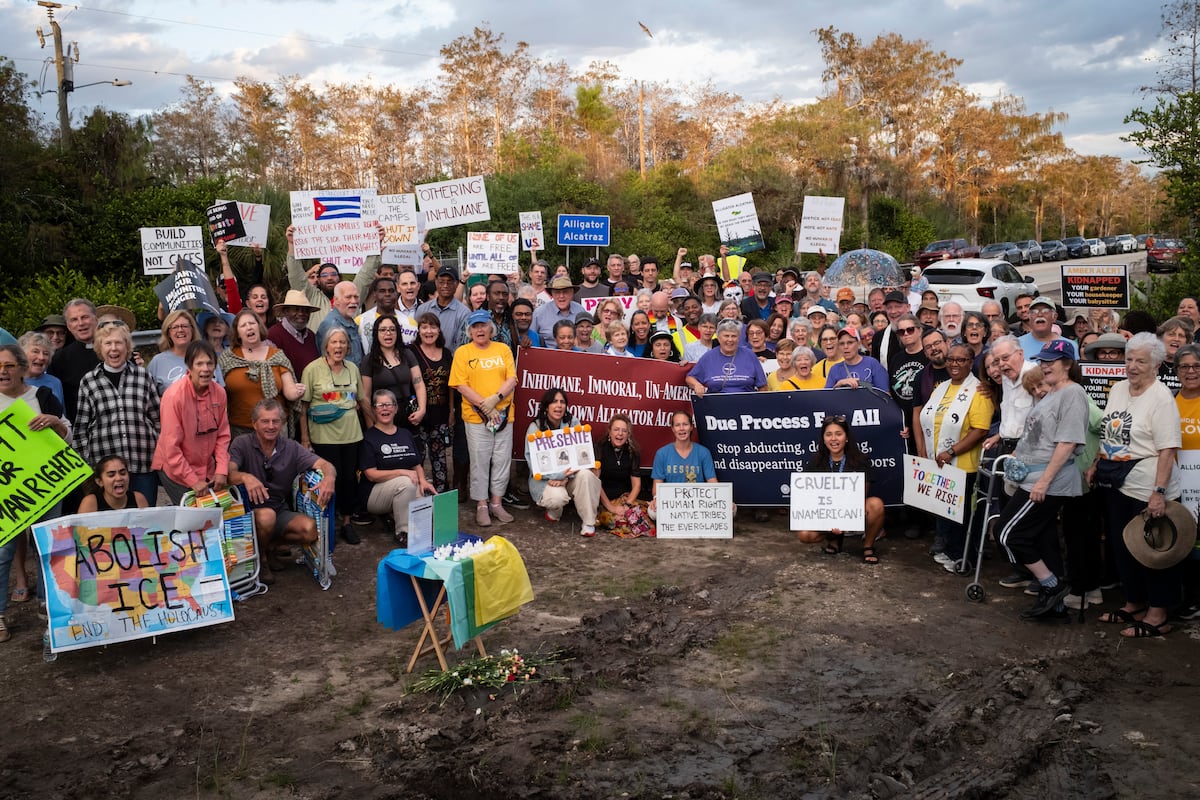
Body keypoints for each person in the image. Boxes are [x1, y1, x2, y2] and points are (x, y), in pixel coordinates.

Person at [1090, 332, 1183, 638]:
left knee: (1154, 552)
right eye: (1129, 359)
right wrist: (1095, 463)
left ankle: (1158, 615)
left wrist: (1158, 492)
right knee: (1123, 547)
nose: (1131, 366)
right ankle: (1134, 603)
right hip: (1117, 482)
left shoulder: (1161, 398)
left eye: (1140, 361)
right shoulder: (1117, 390)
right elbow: (1110, 433)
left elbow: (1168, 448)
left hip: (1148, 487)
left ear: (1156, 365)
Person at [993, 340, 1089, 619]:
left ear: (1067, 364)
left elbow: (1068, 442)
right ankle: (1055, 606)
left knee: (1008, 533)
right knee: (1041, 539)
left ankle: (1052, 585)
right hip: (1031, 476)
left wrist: (1044, 482)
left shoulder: (1073, 393)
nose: (1045, 366)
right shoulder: (1051, 394)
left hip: (1048, 480)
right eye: (1043, 361)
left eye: (1051, 361)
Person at [228, 399, 336, 584]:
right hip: (247, 513)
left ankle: (269, 547)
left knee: (310, 530)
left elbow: (325, 464)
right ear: (254, 424)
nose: (271, 426)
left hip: (278, 509)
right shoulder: (241, 443)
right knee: (267, 516)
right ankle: (261, 560)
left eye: (275, 421)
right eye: (265, 421)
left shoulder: (291, 447)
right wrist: (245, 477)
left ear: (283, 423)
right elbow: (228, 474)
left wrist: (329, 478)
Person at [0, 342, 70, 623]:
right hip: (7, 494)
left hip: (46, 487)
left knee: (46, 546)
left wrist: (55, 422)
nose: (2, 372)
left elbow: (67, 438)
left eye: (8, 366)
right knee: (2, 552)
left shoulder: (42, 395)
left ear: (22, 369)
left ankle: (46, 604)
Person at [915, 342, 995, 572]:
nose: (954, 364)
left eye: (961, 360)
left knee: (962, 516)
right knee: (946, 513)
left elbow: (980, 430)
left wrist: (952, 451)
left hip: (963, 464)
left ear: (971, 363)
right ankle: (950, 551)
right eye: (951, 359)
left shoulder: (978, 391)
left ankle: (963, 557)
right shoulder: (942, 387)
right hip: (939, 462)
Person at [73, 320, 161, 504]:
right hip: (105, 466)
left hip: (142, 461)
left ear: (127, 346)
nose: (114, 348)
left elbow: (158, 419)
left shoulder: (143, 376)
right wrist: (88, 464)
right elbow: (81, 428)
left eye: (119, 342)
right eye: (108, 343)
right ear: (100, 348)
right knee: (110, 524)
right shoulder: (89, 381)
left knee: (146, 519)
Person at [449, 310, 518, 528]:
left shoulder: (503, 349)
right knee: (480, 461)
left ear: (491, 328)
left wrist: (496, 399)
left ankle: (496, 502)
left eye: (483, 325)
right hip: (476, 417)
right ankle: (481, 504)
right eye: (475, 326)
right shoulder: (462, 352)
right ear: (469, 331)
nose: (480, 330)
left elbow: (512, 379)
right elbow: (460, 385)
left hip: (505, 415)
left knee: (501, 459)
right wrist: (485, 407)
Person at [299, 327, 368, 544]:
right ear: (326, 346)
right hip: (323, 437)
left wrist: (374, 424)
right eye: (334, 342)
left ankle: (346, 523)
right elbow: (303, 407)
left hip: (351, 435)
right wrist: (305, 438)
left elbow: (361, 400)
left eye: (343, 342)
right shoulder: (312, 369)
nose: (338, 347)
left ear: (348, 346)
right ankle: (327, 525)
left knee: (349, 480)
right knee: (329, 481)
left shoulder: (353, 368)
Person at [794, 416, 886, 563]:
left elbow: (861, 495)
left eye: (839, 434)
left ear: (847, 437)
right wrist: (828, 522)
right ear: (823, 439)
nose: (833, 439)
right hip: (825, 513)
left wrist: (844, 519)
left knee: (876, 504)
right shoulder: (816, 462)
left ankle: (868, 546)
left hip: (852, 511)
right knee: (804, 535)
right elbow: (810, 499)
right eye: (828, 434)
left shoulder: (861, 460)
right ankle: (833, 539)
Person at [152, 341, 231, 505]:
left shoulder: (219, 393)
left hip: (205, 468)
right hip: (176, 471)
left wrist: (222, 469)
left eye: (210, 363)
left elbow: (223, 435)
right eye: (199, 363)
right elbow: (171, 447)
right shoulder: (174, 396)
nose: (205, 368)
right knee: (194, 516)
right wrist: (192, 480)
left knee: (212, 514)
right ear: (189, 366)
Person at [356, 389, 436, 545]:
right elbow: (371, 474)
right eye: (380, 405)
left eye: (388, 405)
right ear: (373, 410)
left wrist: (423, 481)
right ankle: (403, 532)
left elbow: (415, 463)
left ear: (395, 408)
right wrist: (401, 472)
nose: (384, 409)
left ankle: (418, 531)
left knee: (428, 498)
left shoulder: (405, 434)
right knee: (406, 483)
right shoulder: (368, 438)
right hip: (374, 494)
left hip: (403, 487)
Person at [525, 388, 603, 536]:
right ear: (546, 406)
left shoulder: (573, 423)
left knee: (587, 475)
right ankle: (554, 512)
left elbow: (581, 457)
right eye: (554, 402)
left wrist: (566, 478)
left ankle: (588, 523)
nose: (559, 406)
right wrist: (559, 476)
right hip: (546, 481)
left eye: (562, 402)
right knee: (557, 498)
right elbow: (533, 463)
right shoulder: (534, 428)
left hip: (569, 477)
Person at [219, 310, 305, 439]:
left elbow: (289, 392)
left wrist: (297, 391)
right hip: (239, 431)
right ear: (237, 333)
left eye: (252, 323)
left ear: (259, 327)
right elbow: (218, 391)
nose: (249, 327)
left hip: (274, 429)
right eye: (243, 325)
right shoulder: (227, 358)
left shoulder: (277, 355)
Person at [284, 222, 383, 331]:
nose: (329, 278)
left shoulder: (350, 296)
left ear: (339, 278)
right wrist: (292, 245)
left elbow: (366, 275)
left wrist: (375, 245)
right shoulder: (311, 296)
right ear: (319, 279)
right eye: (324, 275)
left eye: (333, 274)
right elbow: (296, 277)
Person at [649, 411, 721, 520]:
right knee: (653, 512)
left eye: (685, 424)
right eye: (677, 425)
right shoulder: (662, 453)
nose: (681, 428)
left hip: (698, 502)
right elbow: (656, 487)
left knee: (731, 510)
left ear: (691, 427)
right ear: (673, 429)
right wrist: (656, 499)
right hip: (672, 502)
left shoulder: (703, 452)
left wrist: (723, 500)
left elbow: (712, 482)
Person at [411, 313, 454, 493]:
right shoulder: (411, 352)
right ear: (419, 330)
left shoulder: (446, 353)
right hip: (419, 415)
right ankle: (417, 496)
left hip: (441, 413)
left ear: (439, 330)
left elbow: (452, 384)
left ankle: (441, 497)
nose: (429, 331)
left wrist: (452, 410)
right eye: (425, 327)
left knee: (439, 458)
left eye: (433, 327)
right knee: (417, 457)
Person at [361, 313, 425, 434]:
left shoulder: (408, 354)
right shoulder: (368, 360)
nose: (388, 333)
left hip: (407, 414)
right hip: (381, 415)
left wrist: (421, 410)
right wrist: (372, 426)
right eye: (383, 330)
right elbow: (365, 396)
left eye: (392, 329)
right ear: (376, 333)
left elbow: (419, 383)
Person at [1172, 343, 1200, 620]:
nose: (1190, 371)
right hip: (1179, 486)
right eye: (1185, 366)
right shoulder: (1170, 402)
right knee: (1186, 545)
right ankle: (1191, 598)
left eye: (1196, 366)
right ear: (1176, 371)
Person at [595, 413, 652, 537]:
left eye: (624, 431)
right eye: (616, 430)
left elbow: (636, 485)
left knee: (643, 517)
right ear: (609, 432)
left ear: (628, 434)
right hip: (605, 500)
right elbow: (595, 482)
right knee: (610, 520)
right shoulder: (600, 449)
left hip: (625, 499)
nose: (620, 434)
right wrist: (611, 507)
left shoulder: (633, 451)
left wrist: (627, 506)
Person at [48, 298, 100, 423]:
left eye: (85, 317)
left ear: (96, 319)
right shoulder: (59, 360)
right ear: (69, 326)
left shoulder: (115, 350)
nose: (81, 323)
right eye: (74, 320)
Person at [149, 310, 224, 396]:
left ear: (192, 330)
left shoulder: (207, 357)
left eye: (184, 326)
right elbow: (150, 398)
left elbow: (220, 393)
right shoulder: (158, 362)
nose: (180, 330)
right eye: (175, 327)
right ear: (168, 333)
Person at [686, 319, 767, 395]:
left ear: (738, 338)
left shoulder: (750, 355)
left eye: (734, 336)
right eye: (726, 336)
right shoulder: (708, 356)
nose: (730, 339)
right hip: (716, 405)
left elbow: (763, 386)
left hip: (746, 406)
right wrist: (697, 385)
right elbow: (690, 378)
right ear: (718, 338)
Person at [415, 266, 471, 354]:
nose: (445, 285)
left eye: (449, 282)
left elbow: (461, 344)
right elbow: (416, 336)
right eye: (442, 282)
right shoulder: (423, 309)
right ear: (436, 282)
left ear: (456, 284)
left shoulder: (464, 313)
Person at [268, 290, 321, 377]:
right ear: (286, 311)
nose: (301, 313)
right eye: (296, 309)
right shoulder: (273, 336)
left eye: (305, 310)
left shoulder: (312, 336)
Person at [77, 455, 152, 513]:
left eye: (123, 473)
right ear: (100, 482)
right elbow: (79, 532)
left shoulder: (138, 498)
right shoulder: (90, 502)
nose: (119, 478)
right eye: (111, 475)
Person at [316, 281, 365, 369]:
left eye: (356, 297)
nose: (353, 301)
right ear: (336, 300)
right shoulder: (331, 325)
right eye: (348, 297)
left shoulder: (350, 321)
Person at [533, 275, 586, 346]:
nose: (561, 296)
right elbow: (531, 339)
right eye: (557, 292)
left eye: (565, 292)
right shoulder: (539, 313)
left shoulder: (580, 310)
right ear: (552, 294)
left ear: (572, 293)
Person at [18, 331, 64, 408]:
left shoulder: (55, 382)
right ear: (22, 354)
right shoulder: (10, 381)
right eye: (35, 351)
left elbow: (62, 415)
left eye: (46, 353)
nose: (41, 357)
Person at [1156, 315, 1193, 393]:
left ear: (1187, 342)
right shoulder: (1149, 364)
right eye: (1171, 334)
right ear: (1160, 338)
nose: (1176, 339)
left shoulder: (1193, 368)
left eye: (1181, 336)